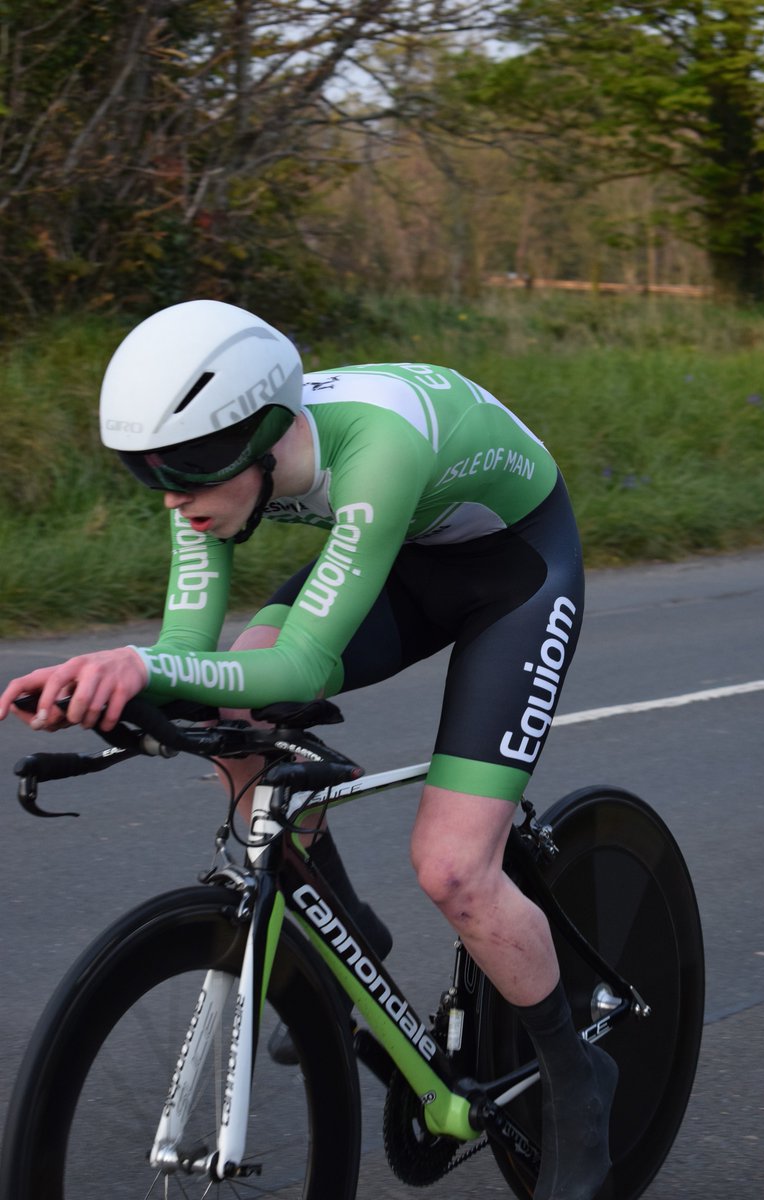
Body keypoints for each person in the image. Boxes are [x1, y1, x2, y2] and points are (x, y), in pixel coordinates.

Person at [0, 299, 617, 1200]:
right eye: (146, 473)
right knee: (233, 711)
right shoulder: (210, 462)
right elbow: (192, 653)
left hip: (516, 570)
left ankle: (576, 1081)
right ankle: (339, 921)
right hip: (403, 551)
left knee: (453, 869)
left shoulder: (377, 446)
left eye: (184, 470)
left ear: (263, 436)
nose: (172, 496)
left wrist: (139, 666)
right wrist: (116, 689)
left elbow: (305, 661)